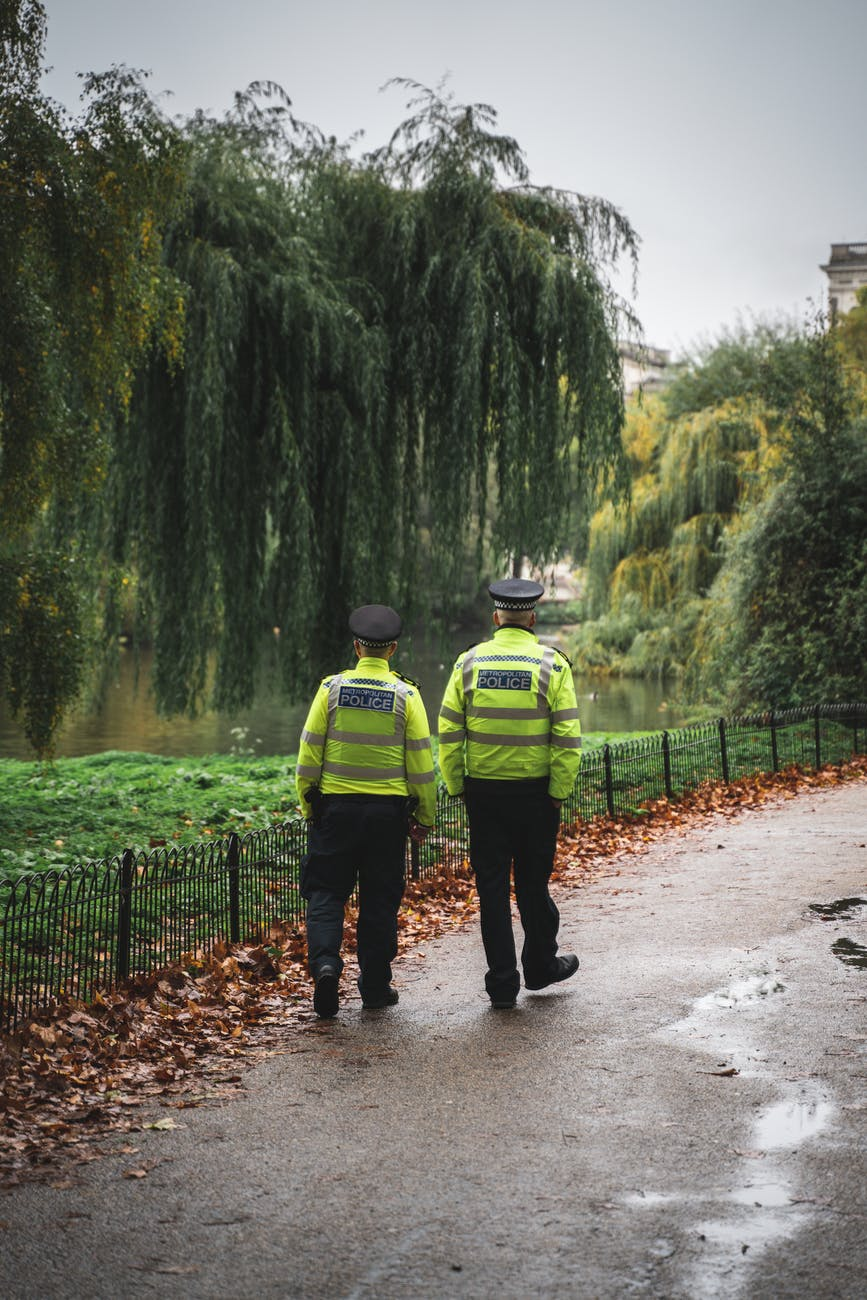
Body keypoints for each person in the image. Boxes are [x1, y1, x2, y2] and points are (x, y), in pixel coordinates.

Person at [438, 578, 582, 1009]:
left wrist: (457, 784)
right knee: (534, 886)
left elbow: (448, 731)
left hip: (484, 796)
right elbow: (568, 737)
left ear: (496, 617)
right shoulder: (553, 666)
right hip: (537, 796)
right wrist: (558, 792)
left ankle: (502, 982)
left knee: (493, 890)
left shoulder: (468, 663)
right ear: (533, 619)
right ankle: (540, 966)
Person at [295, 604, 436, 1018]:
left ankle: (324, 964)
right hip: (386, 817)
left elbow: (308, 755)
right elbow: (422, 766)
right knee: (379, 901)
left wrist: (309, 804)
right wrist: (424, 817)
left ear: (357, 647)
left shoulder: (330, 690)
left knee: (325, 893)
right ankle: (375, 987)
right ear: (391, 649)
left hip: (334, 811)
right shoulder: (407, 696)